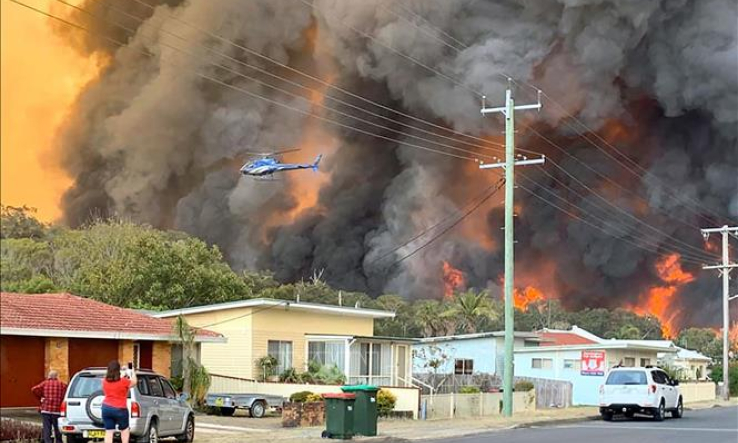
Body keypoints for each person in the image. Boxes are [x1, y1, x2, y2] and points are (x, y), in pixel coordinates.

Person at [102, 360, 137, 443]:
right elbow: (134, 382)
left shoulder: (104, 381)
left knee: (109, 432)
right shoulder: (124, 382)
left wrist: (123, 373)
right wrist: (132, 371)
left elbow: (114, 379)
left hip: (106, 408)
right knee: (124, 430)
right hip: (120, 409)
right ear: (118, 370)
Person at [31, 370, 67, 443]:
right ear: (57, 376)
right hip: (57, 411)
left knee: (47, 428)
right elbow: (66, 393)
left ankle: (48, 441)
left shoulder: (44, 383)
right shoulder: (62, 384)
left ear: (49, 376)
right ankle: (59, 441)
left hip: (46, 410)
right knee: (57, 428)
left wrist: (40, 397)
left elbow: (34, 389)